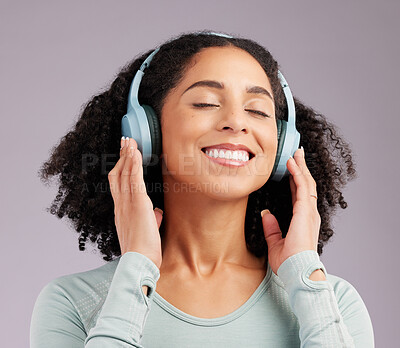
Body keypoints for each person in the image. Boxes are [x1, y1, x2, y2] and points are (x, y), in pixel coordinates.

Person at [30, 30, 374, 347]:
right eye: (206, 103)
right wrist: (136, 269)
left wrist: (305, 274)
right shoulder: (74, 302)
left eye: (257, 110)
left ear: (282, 144)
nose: (236, 122)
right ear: (147, 131)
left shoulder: (333, 304)